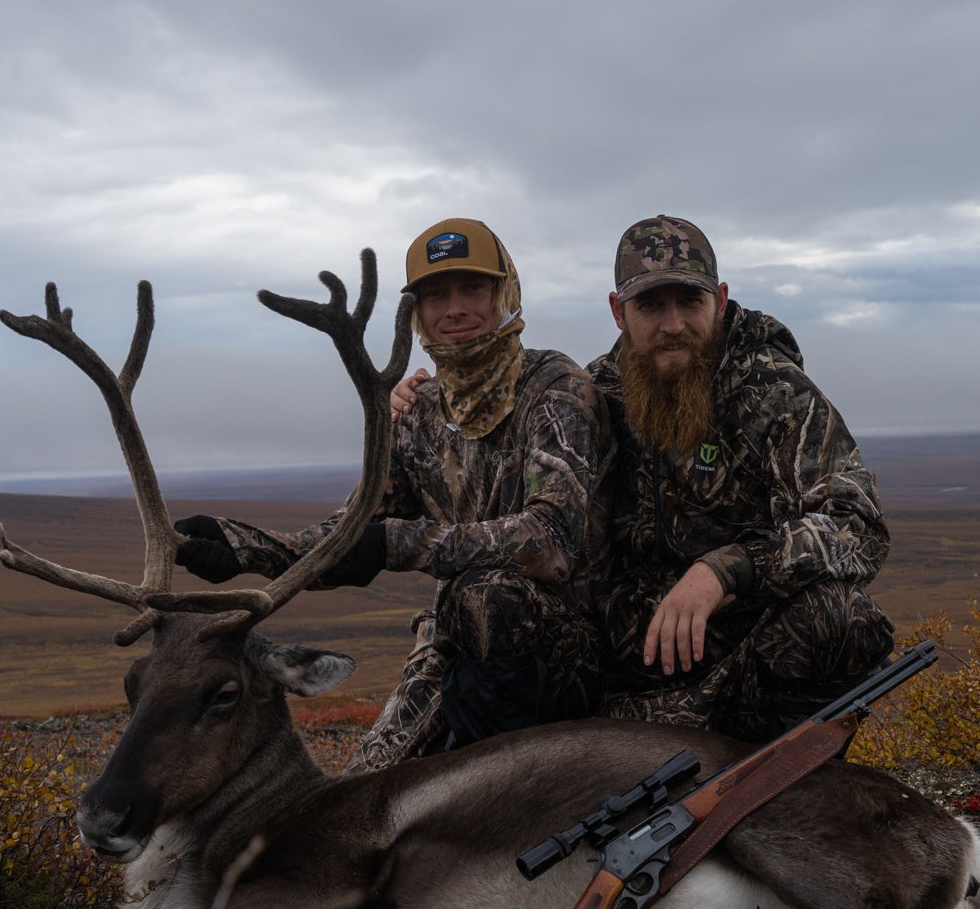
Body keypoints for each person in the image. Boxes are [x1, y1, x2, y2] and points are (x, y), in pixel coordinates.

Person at [174, 218, 603, 770]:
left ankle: (500, 789)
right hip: (456, 639)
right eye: (436, 295)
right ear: (415, 313)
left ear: (505, 294)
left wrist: (398, 543)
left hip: (566, 649)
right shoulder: (415, 411)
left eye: (473, 289)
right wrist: (248, 548)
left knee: (488, 595)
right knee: (361, 792)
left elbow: (549, 542)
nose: (455, 309)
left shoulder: (557, 390)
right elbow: (360, 529)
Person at [586, 215, 895, 741]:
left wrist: (728, 570)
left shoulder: (774, 391)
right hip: (623, 664)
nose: (673, 324)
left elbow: (856, 523)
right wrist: (423, 405)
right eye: (651, 305)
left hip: (741, 669)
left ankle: (788, 787)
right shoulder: (594, 393)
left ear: (721, 300)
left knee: (838, 617)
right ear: (618, 311)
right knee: (501, 605)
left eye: (690, 301)